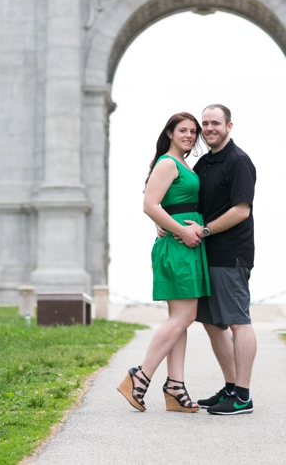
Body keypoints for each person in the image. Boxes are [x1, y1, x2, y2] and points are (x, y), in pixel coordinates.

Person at [118, 113, 209, 413]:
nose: (189, 135)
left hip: (185, 245)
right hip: (178, 246)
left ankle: (175, 387)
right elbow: (149, 204)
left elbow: (166, 205)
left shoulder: (183, 164)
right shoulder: (168, 163)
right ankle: (139, 376)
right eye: (182, 130)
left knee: (181, 319)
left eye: (193, 132)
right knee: (182, 317)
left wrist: (173, 226)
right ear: (169, 132)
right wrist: (180, 229)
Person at [192, 104, 258, 415]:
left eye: (215, 122)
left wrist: (204, 231)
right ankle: (230, 387)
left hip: (230, 253)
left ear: (229, 126)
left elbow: (241, 210)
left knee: (237, 322)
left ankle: (243, 396)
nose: (209, 128)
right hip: (205, 254)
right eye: (204, 123)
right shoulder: (204, 163)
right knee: (211, 322)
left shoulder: (239, 161)